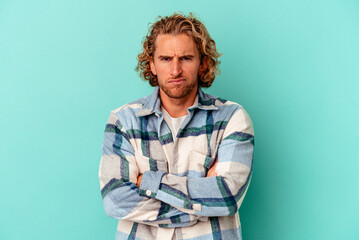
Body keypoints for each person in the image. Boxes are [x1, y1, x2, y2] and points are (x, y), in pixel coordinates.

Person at [99, 12, 254, 240]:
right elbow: (115, 199)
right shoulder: (123, 121)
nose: (175, 70)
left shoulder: (232, 118)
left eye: (186, 58)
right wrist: (199, 208)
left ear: (202, 63)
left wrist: (149, 182)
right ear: (151, 64)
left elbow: (227, 195)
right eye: (165, 59)